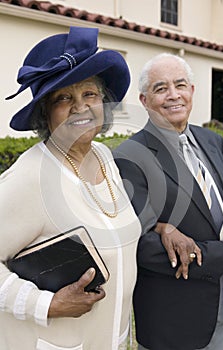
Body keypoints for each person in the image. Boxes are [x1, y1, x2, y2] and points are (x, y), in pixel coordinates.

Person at [0, 26, 141, 350]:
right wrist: (46, 305)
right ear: (45, 113)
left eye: (89, 94)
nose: (80, 107)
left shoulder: (103, 156)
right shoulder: (30, 176)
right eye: (64, 98)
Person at [114, 53, 223, 350]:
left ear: (192, 91)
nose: (173, 95)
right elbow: (141, 245)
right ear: (144, 100)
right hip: (175, 321)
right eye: (160, 88)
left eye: (180, 85)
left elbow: (221, 208)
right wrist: (220, 256)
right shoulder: (129, 156)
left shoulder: (212, 141)